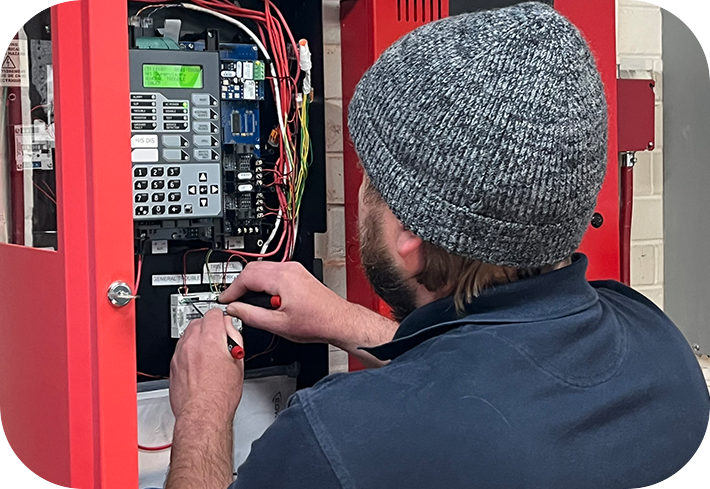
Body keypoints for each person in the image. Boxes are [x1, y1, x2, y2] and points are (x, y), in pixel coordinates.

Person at [165, 3, 710, 488]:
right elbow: (489, 377)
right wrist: (346, 323)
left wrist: (202, 412)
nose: (361, 192)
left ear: (408, 231)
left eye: (370, 177)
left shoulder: (338, 445)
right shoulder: (660, 349)